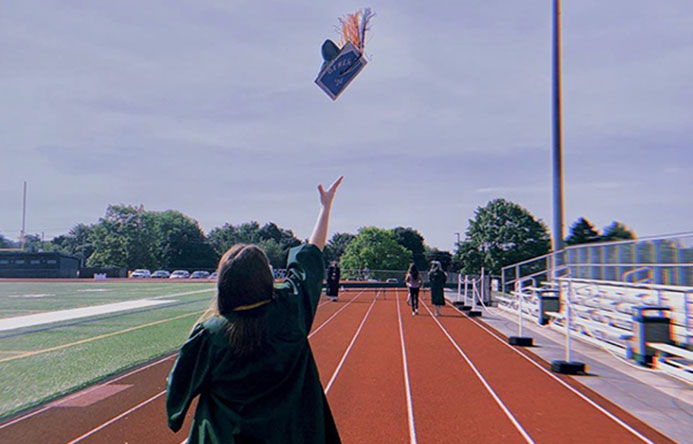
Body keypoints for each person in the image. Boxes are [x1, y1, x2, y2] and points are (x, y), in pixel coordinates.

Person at [166, 177, 344, 444]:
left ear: (224, 283)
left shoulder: (211, 334)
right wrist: (325, 208)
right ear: (265, 278)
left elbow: (176, 399)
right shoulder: (290, 310)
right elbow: (310, 255)